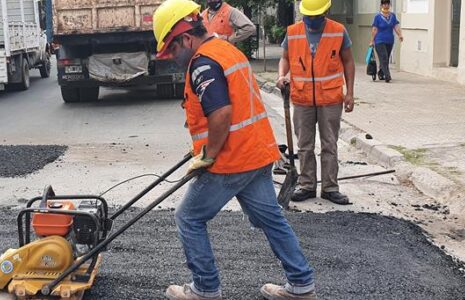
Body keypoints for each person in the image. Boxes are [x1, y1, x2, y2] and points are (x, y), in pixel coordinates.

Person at [152, 0, 316, 299]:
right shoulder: (226, 50)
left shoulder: (203, 63)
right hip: (256, 152)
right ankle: (302, 284)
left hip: (231, 159)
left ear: (186, 38)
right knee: (270, 218)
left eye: (173, 50)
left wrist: (209, 155)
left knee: (188, 217)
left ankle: (204, 288)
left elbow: (221, 114)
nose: (173, 58)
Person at [277, 0, 355, 206]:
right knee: (304, 145)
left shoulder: (338, 31)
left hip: (330, 99)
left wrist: (350, 93)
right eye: (308, 16)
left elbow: (348, 61)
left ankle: (330, 188)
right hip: (302, 98)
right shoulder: (293, 32)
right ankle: (307, 185)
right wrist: (282, 75)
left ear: (325, 12)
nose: (311, 21)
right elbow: (284, 58)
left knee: (329, 144)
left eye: (315, 16)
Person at [369, 0, 403, 82]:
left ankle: (381, 73)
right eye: (384, 4)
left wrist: (399, 35)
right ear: (381, 5)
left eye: (387, 4)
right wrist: (371, 40)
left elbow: (395, 26)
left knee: (386, 59)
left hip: (390, 41)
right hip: (379, 41)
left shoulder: (393, 16)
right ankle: (387, 76)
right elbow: (374, 29)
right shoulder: (377, 17)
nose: (386, 5)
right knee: (384, 57)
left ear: (389, 5)